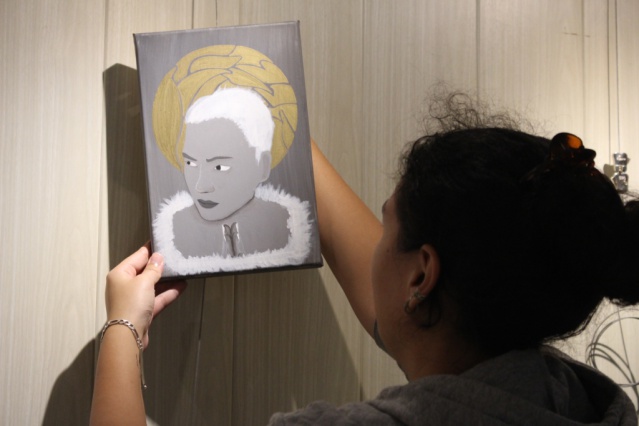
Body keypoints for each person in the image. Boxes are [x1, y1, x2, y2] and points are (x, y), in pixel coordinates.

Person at [90, 93, 639, 425]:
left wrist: (121, 328)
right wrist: (273, 122)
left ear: (422, 275)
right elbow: (403, 316)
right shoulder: (574, 398)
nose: (374, 241)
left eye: (386, 227)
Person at [154, 87, 312, 276]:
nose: (201, 186)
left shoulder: (288, 227)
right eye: (191, 163)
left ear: (262, 166)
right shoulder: (172, 235)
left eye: (219, 167)